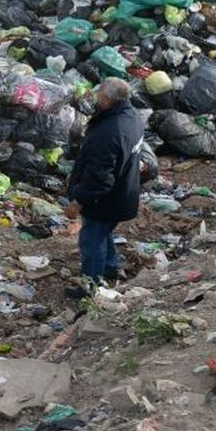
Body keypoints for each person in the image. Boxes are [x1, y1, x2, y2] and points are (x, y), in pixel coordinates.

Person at [64, 77, 143, 298]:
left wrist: (78, 201)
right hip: (124, 191)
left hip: (107, 199)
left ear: (107, 100)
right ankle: (110, 267)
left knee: (91, 239)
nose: (96, 97)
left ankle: (91, 285)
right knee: (103, 231)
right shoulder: (132, 116)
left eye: (99, 94)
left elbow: (100, 180)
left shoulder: (109, 133)